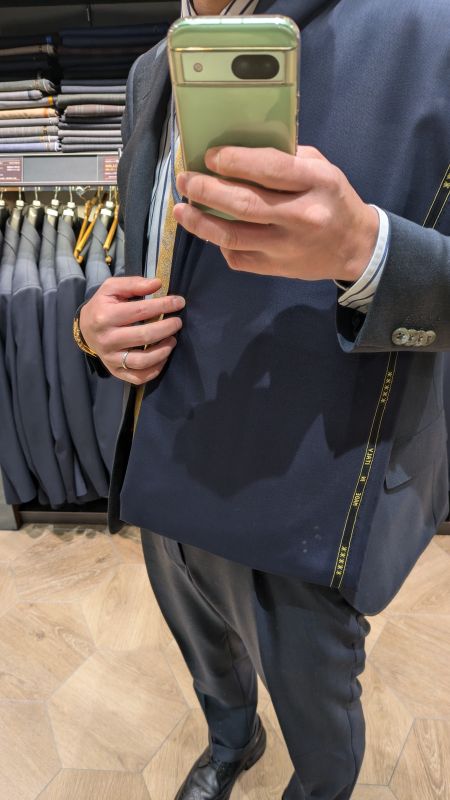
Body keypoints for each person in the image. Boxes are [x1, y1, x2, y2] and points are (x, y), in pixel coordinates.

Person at [75, 1, 450, 798]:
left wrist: (367, 249)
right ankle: (231, 739)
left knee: (318, 710)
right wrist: (93, 325)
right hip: (166, 452)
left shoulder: (427, 29)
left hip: (309, 485)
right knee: (203, 646)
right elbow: (150, 242)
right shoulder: (153, 69)